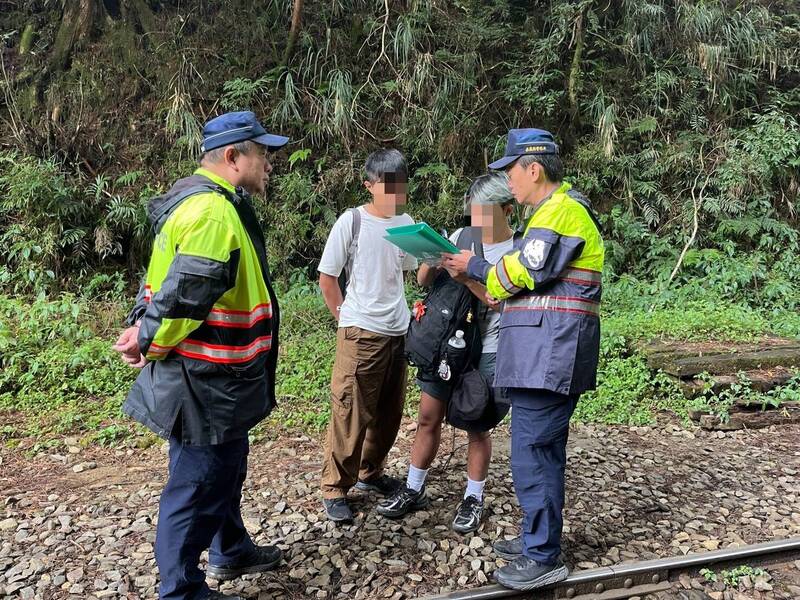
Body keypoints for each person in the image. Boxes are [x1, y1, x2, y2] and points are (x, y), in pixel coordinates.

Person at [112, 111, 289, 600]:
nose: (270, 163)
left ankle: (230, 548)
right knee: (199, 479)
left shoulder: (200, 202)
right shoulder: (212, 212)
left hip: (217, 373)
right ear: (234, 157)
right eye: (263, 153)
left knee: (226, 463)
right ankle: (181, 590)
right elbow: (186, 293)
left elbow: (162, 282)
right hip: (206, 377)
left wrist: (141, 327)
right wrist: (148, 338)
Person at [442, 128, 603, 590]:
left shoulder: (561, 213)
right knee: (539, 451)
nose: (507, 182)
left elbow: (517, 275)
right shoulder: (551, 214)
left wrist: (471, 266)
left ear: (533, 169)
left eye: (510, 171)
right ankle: (540, 539)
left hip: (550, 355)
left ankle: (543, 556)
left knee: (532, 452)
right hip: (544, 352)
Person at [377, 172, 514, 534]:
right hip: (449, 343)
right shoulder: (461, 236)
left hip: (491, 347)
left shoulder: (517, 252)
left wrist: (467, 276)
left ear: (507, 209)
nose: (479, 220)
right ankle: (413, 487)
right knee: (427, 416)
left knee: (477, 422)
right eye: (474, 212)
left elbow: (504, 305)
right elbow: (423, 282)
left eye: (486, 212)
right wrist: (432, 257)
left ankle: (473, 497)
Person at [317, 149, 419, 522]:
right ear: (369, 185)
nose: (395, 195)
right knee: (350, 411)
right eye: (388, 187)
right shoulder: (352, 221)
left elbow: (408, 271)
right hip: (361, 332)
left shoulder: (405, 222)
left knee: (389, 413)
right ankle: (334, 486)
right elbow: (328, 277)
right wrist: (344, 317)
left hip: (398, 331)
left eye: (401, 187)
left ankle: (370, 472)